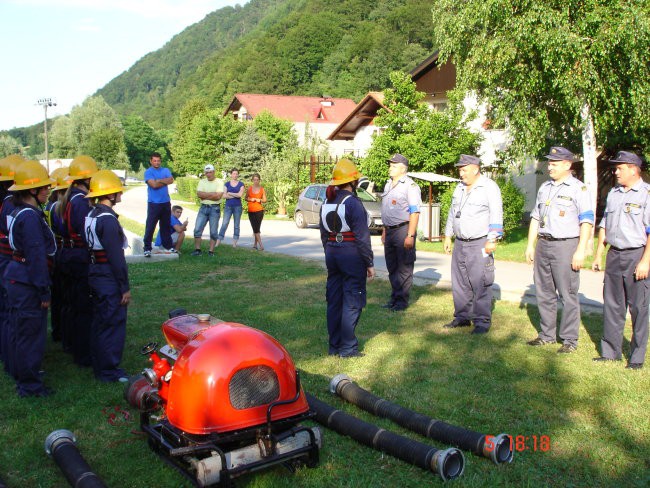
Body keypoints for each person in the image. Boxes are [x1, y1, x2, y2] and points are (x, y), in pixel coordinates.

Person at [524, 146, 594, 353]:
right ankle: (547, 335)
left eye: (554, 163)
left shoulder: (578, 189)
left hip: (566, 245)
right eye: (549, 163)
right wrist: (530, 244)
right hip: (544, 244)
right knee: (544, 292)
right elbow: (536, 217)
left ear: (567, 165)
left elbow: (587, 221)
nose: (550, 166)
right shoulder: (545, 187)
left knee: (567, 293)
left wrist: (581, 250)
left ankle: (569, 340)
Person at [592, 151, 650, 370]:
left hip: (637, 254)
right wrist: (599, 253)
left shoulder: (646, 194)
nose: (615, 171)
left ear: (633, 169)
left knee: (638, 307)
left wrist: (646, 261)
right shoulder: (614, 193)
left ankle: (636, 357)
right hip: (614, 254)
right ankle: (610, 352)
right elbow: (605, 224)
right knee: (613, 306)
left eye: (619, 168)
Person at [4, 160, 56, 397]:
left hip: (17, 276)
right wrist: (43, 290)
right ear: (32, 190)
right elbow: (36, 256)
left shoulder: (18, 211)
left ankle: (22, 374)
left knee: (19, 330)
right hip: (27, 281)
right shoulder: (30, 217)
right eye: (44, 187)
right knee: (30, 335)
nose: (48, 191)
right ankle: (30, 386)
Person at [319, 159, 375, 357]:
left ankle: (334, 346)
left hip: (333, 253)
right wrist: (369, 262)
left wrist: (330, 252)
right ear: (353, 182)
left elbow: (324, 234)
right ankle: (348, 348)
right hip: (351, 255)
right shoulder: (353, 203)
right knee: (352, 300)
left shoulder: (326, 202)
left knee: (334, 300)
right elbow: (362, 237)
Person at [443, 154, 503, 334]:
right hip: (461, 242)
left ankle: (482, 321)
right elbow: (453, 213)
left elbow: (496, 214)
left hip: (480, 242)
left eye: (464, 169)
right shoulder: (459, 188)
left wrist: (492, 239)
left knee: (481, 282)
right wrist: (448, 235)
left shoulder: (489, 187)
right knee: (460, 282)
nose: (461, 173)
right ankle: (462, 317)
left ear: (475, 169)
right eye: (460, 170)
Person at [84, 170, 131, 382]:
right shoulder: (108, 220)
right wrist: (124, 287)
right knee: (112, 322)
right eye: (117, 190)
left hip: (95, 272)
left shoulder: (92, 214)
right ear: (110, 195)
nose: (120, 193)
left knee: (100, 321)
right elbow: (116, 258)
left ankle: (99, 364)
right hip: (107, 275)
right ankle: (109, 370)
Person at [57, 155, 98, 366]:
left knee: (71, 304)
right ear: (86, 179)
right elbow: (86, 232)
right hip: (79, 258)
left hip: (67, 255)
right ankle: (83, 355)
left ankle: (70, 343)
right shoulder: (81, 201)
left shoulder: (68, 198)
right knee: (83, 308)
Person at [380, 154, 421, 312]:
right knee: (392, 266)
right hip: (390, 230)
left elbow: (415, 212)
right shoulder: (388, 184)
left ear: (403, 169)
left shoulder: (410, 186)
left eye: (394, 165)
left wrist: (410, 235)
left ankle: (402, 301)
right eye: (390, 165)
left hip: (404, 229)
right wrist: (384, 231)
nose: (390, 167)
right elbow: (386, 210)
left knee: (404, 267)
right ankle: (394, 297)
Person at [0, 154, 24, 374]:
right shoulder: (10, 205)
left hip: (6, 261)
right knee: (10, 314)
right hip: (9, 261)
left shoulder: (6, 202)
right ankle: (12, 359)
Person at [45, 167, 73, 343]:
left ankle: (58, 330)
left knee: (57, 297)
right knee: (63, 297)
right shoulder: (58, 207)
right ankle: (62, 332)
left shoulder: (49, 205)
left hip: (54, 253)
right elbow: (66, 231)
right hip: (60, 251)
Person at [143, 152, 175, 257]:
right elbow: (154, 185)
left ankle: (168, 246)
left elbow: (171, 180)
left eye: (158, 160)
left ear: (161, 161)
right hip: (154, 204)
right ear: (151, 161)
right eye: (154, 161)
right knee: (151, 226)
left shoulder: (165, 170)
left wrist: (160, 180)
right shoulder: (148, 172)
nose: (157, 162)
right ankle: (147, 248)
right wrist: (164, 181)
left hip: (165, 202)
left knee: (165, 225)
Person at [191, 164, 223, 256]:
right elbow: (199, 194)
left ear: (214, 172)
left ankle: (211, 251)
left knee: (213, 231)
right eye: (206, 173)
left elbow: (218, 196)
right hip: (203, 207)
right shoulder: (202, 181)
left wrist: (205, 195)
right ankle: (197, 250)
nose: (208, 174)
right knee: (197, 229)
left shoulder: (219, 182)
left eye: (210, 172)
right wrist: (212, 194)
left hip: (215, 208)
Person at [217, 168, 245, 248]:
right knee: (224, 223)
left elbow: (240, 195)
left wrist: (230, 193)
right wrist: (234, 195)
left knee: (236, 225)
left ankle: (234, 243)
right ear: (231, 174)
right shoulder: (227, 184)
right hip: (228, 207)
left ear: (238, 175)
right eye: (233, 174)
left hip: (237, 207)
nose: (235, 175)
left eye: (236, 174)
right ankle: (218, 241)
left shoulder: (241, 184)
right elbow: (223, 195)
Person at [246, 173, 267, 250]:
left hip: (259, 211)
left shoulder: (262, 189)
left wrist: (260, 200)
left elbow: (265, 200)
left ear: (259, 180)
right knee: (255, 228)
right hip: (251, 211)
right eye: (254, 180)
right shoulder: (249, 189)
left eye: (257, 180)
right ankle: (260, 245)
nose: (256, 181)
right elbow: (246, 198)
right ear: (252, 180)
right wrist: (250, 199)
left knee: (256, 228)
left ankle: (256, 245)